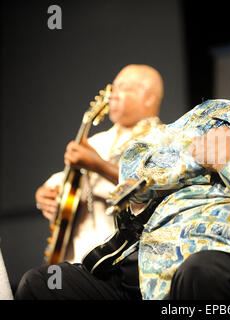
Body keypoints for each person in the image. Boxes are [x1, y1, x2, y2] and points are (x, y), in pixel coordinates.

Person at [16, 13, 230, 300]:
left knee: (202, 273)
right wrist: (198, 159)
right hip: (148, 265)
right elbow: (132, 172)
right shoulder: (208, 115)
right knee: (40, 284)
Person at [34, 64, 165, 263]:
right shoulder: (98, 141)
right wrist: (44, 194)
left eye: (124, 88)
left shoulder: (162, 138)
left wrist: (98, 165)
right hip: (76, 256)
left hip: (123, 261)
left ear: (149, 97)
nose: (113, 94)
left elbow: (150, 186)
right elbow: (64, 181)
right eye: (113, 87)